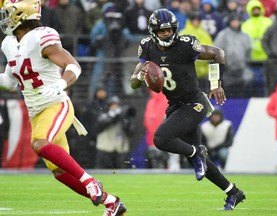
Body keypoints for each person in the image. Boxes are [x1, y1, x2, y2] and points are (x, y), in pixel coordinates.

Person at [0, 0, 126, 215]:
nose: (3, 16)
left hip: (56, 104)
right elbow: (10, 83)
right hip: (37, 112)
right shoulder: (9, 44)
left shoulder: (42, 36)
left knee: (39, 143)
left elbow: (73, 66)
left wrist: (60, 84)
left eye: (7, 12)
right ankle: (112, 203)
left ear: (21, 13)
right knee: (59, 171)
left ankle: (90, 180)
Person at [130, 8, 245, 210]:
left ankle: (196, 153)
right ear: (153, 31)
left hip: (195, 102)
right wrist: (140, 77)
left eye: (170, 30)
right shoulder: (147, 47)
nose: (167, 34)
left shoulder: (185, 45)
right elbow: (133, 83)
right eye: (162, 31)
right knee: (200, 163)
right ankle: (233, 192)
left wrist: (216, 83)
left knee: (161, 139)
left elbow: (218, 53)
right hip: (175, 105)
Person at [213, 12, 253, 98]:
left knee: (242, 93)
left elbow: (248, 52)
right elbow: (217, 51)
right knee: (229, 93)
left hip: (241, 71)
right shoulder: (223, 35)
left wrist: (244, 63)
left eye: (237, 21)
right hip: (227, 71)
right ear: (229, 22)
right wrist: (224, 64)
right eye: (233, 21)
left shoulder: (245, 36)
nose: (235, 23)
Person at [95, 96, 136, 169]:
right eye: (113, 105)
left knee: (122, 174)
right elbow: (100, 126)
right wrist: (114, 116)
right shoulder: (103, 116)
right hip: (105, 150)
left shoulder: (124, 117)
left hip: (120, 150)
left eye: (117, 106)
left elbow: (131, 131)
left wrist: (126, 120)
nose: (115, 108)